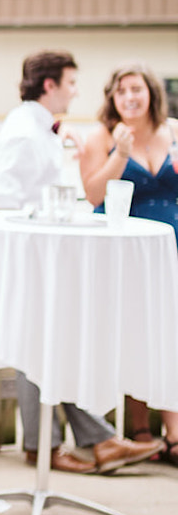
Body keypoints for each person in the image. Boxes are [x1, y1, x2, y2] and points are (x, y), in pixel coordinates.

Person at [0, 49, 161, 475]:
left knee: (46, 343)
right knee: (38, 343)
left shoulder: (39, 127)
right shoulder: (25, 131)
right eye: (70, 82)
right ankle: (51, 446)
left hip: (43, 249)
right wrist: (45, 214)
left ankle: (90, 441)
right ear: (50, 85)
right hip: (31, 250)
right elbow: (3, 195)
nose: (76, 91)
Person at [78, 62, 178, 464]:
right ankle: (140, 430)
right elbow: (93, 194)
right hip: (124, 248)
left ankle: (170, 430)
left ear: (151, 92)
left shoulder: (172, 129)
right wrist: (121, 152)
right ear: (112, 98)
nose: (130, 98)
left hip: (171, 243)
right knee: (136, 334)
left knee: (171, 335)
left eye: (137, 89)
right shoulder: (100, 136)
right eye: (122, 92)